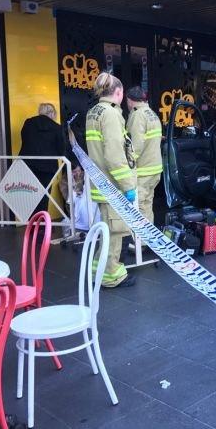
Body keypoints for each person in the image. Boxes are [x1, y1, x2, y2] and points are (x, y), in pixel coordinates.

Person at [85, 72, 137, 288]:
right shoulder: (111, 114)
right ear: (118, 92)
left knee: (107, 227)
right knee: (116, 231)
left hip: (100, 181)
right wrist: (128, 186)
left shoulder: (93, 112)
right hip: (113, 185)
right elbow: (115, 155)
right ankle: (112, 276)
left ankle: (98, 268)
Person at [18, 103, 65, 214]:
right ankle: (42, 224)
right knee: (44, 195)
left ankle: (31, 223)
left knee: (30, 194)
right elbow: (61, 149)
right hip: (47, 167)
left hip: (28, 166)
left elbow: (24, 140)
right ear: (52, 113)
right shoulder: (56, 127)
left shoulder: (28, 123)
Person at [126, 86, 162, 226]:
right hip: (154, 169)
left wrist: (127, 164)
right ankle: (147, 240)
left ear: (130, 100)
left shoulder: (137, 115)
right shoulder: (151, 113)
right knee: (147, 204)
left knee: (139, 206)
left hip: (143, 171)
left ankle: (139, 242)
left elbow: (135, 146)